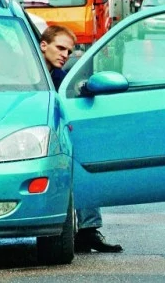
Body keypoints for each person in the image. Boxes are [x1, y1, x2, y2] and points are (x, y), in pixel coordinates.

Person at [40, 24, 123, 253]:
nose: (65, 55)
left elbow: (70, 97)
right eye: (60, 48)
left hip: (57, 136)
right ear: (43, 45)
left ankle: (88, 231)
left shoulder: (61, 77)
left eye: (69, 51)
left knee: (84, 160)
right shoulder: (26, 72)